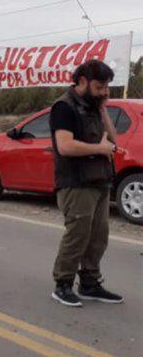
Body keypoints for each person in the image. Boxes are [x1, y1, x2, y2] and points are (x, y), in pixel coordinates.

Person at [49, 59, 124, 307]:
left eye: (106, 87)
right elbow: (65, 146)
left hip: (100, 180)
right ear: (82, 81)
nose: (104, 91)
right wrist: (99, 148)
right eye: (100, 86)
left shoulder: (94, 106)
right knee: (78, 235)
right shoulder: (64, 107)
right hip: (75, 183)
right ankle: (63, 284)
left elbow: (113, 140)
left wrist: (103, 109)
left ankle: (90, 284)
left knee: (98, 236)